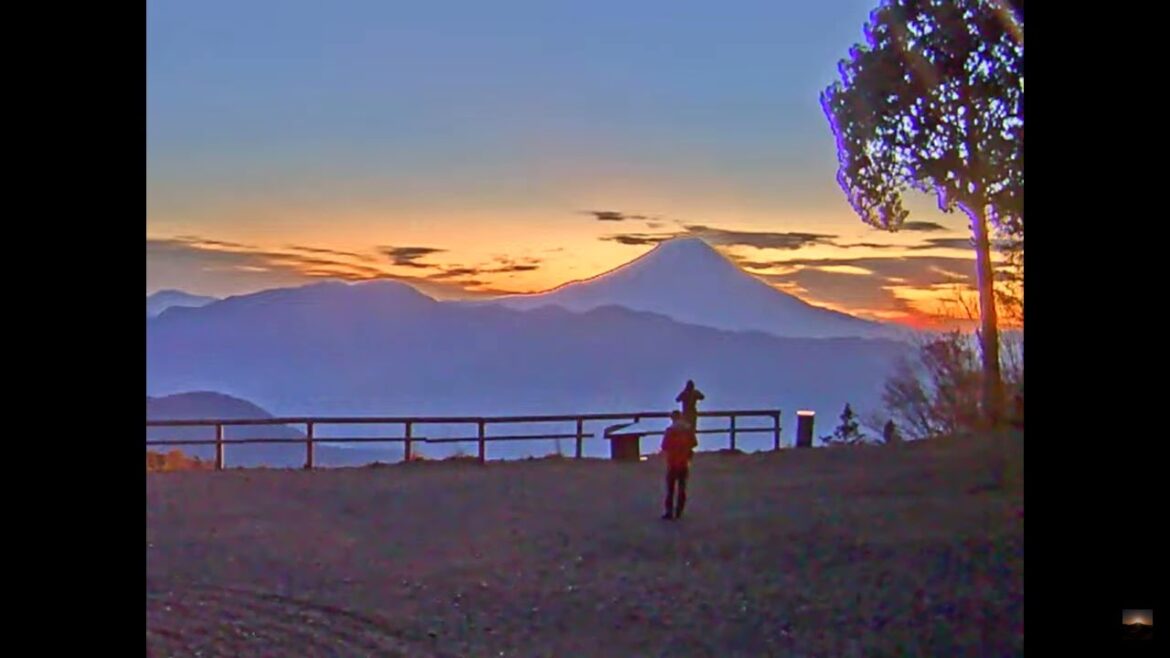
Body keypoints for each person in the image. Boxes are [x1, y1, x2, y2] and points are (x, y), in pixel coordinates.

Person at [660, 411, 698, 520]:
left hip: (672, 462)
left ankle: (669, 512)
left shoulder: (670, 431)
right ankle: (679, 511)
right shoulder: (688, 430)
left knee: (670, 489)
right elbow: (694, 443)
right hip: (684, 462)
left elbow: (664, 446)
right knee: (682, 487)